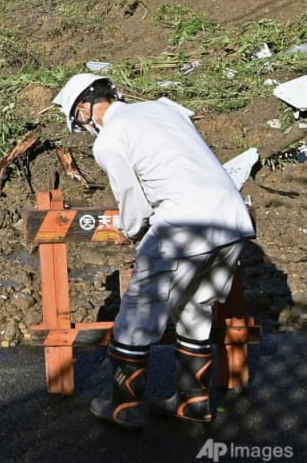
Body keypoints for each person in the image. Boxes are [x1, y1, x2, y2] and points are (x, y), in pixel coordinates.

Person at [52, 74, 254, 429]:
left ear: (84, 109)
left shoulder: (110, 139)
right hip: (231, 221)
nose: (83, 127)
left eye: (79, 119)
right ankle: (194, 403)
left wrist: (134, 233)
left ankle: (123, 406)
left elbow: (133, 201)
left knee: (135, 318)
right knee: (195, 310)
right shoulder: (164, 110)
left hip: (182, 226)